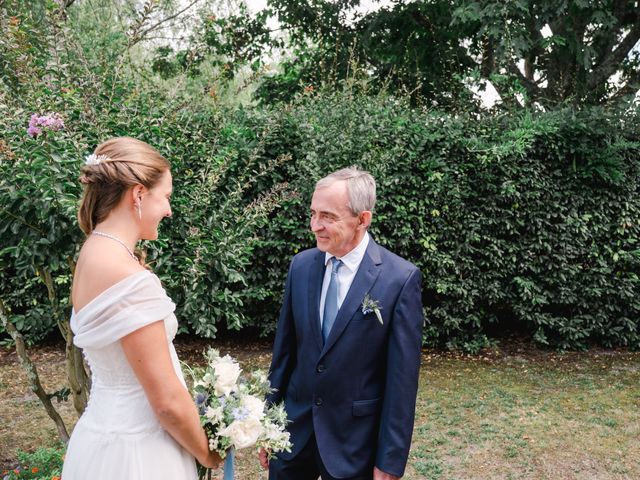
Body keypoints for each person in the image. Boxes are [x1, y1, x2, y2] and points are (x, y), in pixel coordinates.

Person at [61, 137, 221, 479]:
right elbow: (166, 402)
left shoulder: (92, 253)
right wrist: (208, 453)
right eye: (165, 197)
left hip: (99, 439)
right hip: (139, 453)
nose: (168, 209)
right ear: (138, 194)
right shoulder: (125, 274)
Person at [260, 167, 424, 480]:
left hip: (354, 444)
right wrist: (269, 424)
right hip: (292, 434)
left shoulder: (398, 279)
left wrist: (389, 462)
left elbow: (401, 382)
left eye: (328, 216)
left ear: (363, 220)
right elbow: (284, 355)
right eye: (312, 213)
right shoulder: (301, 266)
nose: (314, 226)